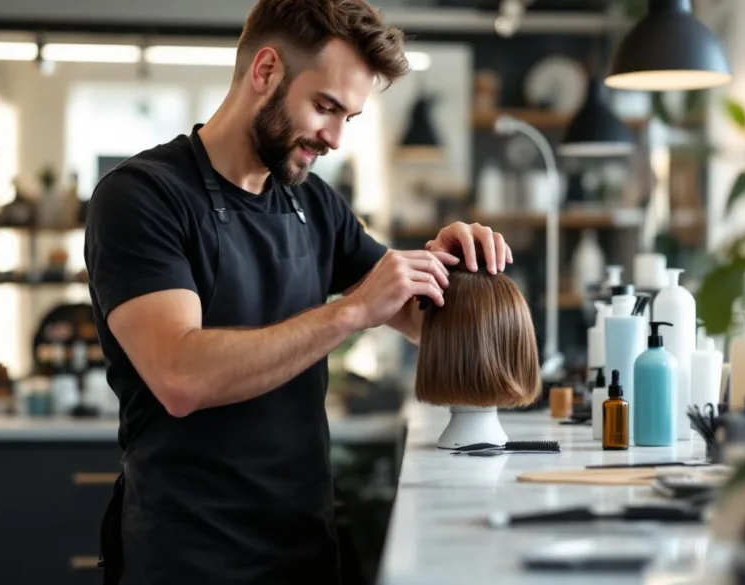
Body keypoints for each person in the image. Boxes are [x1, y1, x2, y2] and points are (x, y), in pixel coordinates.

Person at [83, 1, 513, 584]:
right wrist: (350, 313)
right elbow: (181, 378)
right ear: (265, 71)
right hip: (189, 556)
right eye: (325, 107)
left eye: (348, 118)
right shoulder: (143, 197)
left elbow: (416, 318)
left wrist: (453, 271)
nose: (334, 138)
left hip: (304, 548)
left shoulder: (312, 202)